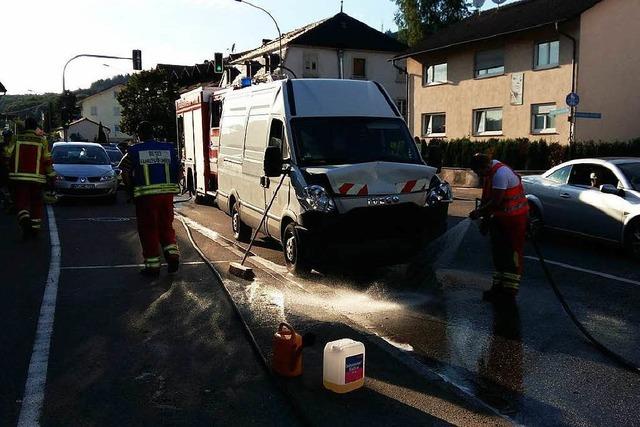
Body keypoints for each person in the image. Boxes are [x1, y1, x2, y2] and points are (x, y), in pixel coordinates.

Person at [119, 122, 181, 277]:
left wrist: (130, 190)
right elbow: (179, 170)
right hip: (166, 196)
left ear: (139, 134)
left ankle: (152, 267)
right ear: (153, 133)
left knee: (149, 229)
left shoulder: (133, 151)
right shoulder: (168, 149)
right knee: (166, 226)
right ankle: (173, 255)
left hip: (146, 198)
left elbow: (124, 172)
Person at [469, 153, 529, 303]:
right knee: (498, 254)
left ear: (484, 167)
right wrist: (486, 221)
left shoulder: (500, 174)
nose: (478, 175)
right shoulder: (490, 174)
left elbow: (496, 201)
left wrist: (479, 213)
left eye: (478, 172)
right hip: (501, 219)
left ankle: (509, 292)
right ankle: (498, 288)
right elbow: (487, 200)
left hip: (514, 221)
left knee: (511, 256)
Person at [6, 117, 55, 238]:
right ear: (35, 127)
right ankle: (35, 230)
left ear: (25, 126)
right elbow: (47, 160)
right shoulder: (42, 141)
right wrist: (52, 176)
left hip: (19, 178)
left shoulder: (16, 138)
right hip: (37, 180)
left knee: (21, 203)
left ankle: (25, 222)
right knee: (36, 204)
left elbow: (7, 154)